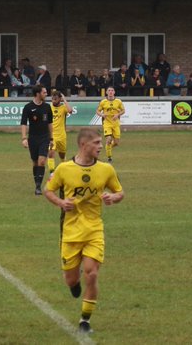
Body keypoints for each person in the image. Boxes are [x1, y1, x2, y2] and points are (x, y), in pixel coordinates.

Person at [44, 127, 124, 335]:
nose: (101, 146)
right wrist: (61, 202)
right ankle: (73, 282)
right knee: (72, 280)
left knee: (92, 274)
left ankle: (85, 320)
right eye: (96, 143)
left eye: (100, 143)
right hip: (70, 231)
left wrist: (112, 198)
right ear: (83, 145)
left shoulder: (106, 170)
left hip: (94, 230)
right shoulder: (64, 169)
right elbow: (48, 190)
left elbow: (120, 192)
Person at [20, 85, 53, 195]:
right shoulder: (28, 107)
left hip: (45, 137)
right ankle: (37, 183)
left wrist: (51, 138)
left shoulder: (47, 107)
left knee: (42, 161)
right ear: (38, 94)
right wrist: (24, 138)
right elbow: (24, 123)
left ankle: (38, 186)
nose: (46, 94)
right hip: (33, 138)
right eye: (44, 92)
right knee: (35, 162)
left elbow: (50, 123)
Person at [95, 86, 125, 163]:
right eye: (109, 90)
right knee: (108, 139)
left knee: (116, 143)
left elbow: (123, 110)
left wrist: (117, 115)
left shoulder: (118, 101)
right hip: (107, 123)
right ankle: (109, 157)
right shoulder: (103, 102)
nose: (111, 92)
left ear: (114, 92)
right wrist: (102, 115)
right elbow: (97, 111)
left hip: (116, 124)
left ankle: (107, 147)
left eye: (112, 90)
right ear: (106, 92)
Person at [47, 89, 71, 174]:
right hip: (51, 136)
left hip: (61, 135)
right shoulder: (48, 107)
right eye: (52, 99)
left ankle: (63, 166)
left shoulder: (63, 108)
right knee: (51, 153)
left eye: (56, 99)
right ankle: (52, 173)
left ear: (60, 99)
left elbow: (70, 111)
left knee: (62, 155)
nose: (54, 100)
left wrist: (64, 99)